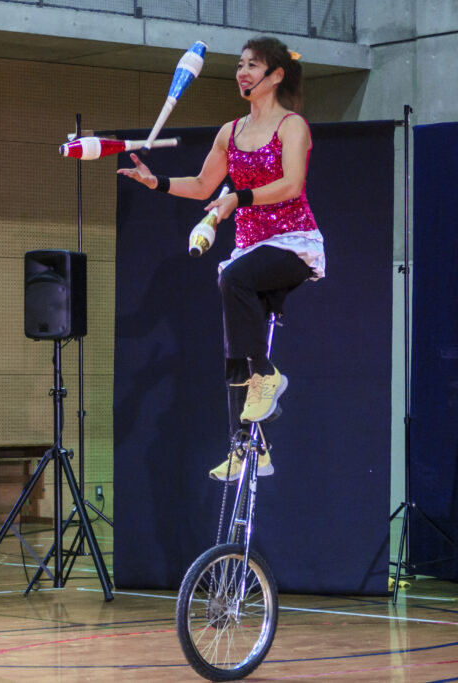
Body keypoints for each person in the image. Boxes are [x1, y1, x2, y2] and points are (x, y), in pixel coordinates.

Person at [118, 36, 325, 481]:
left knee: (234, 279)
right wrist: (156, 182)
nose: (242, 73)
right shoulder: (229, 133)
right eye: (239, 65)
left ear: (275, 75)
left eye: (253, 65)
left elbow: (292, 184)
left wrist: (237, 198)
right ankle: (248, 446)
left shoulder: (293, 126)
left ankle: (268, 375)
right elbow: (200, 184)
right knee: (234, 351)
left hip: (293, 243)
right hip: (250, 248)